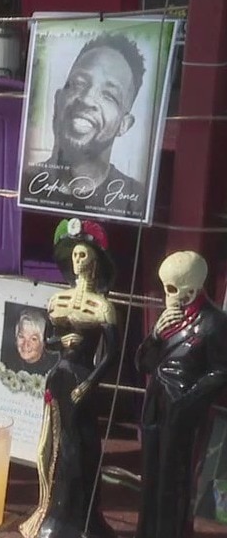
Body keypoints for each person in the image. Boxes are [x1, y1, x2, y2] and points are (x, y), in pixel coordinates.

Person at [20, 218, 118, 538]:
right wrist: (60, 341)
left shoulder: (102, 307)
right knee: (54, 447)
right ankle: (54, 513)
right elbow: (49, 342)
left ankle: (83, 518)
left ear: (95, 260)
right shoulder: (57, 301)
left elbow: (111, 354)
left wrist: (90, 383)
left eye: (83, 254)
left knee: (82, 446)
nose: (77, 260)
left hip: (83, 380)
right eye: (74, 255)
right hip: (59, 379)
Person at [135, 251, 227, 538]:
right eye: (167, 289)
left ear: (192, 289)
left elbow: (220, 371)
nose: (169, 296)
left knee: (173, 480)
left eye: (174, 289)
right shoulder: (168, 320)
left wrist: (187, 400)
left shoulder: (214, 323)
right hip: (156, 405)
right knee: (151, 477)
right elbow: (143, 364)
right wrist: (155, 336)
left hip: (182, 411)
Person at [21, 34, 147, 215]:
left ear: (124, 125)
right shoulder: (24, 183)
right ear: (58, 100)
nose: (87, 99)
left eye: (109, 95)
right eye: (79, 84)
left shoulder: (135, 202)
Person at [2, 309, 58, 375]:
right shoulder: (6, 365)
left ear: (43, 343)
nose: (26, 344)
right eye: (21, 336)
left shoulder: (54, 369)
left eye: (33, 339)